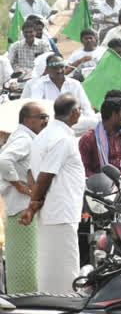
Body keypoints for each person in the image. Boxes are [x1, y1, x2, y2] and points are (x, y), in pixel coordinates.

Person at [20, 94, 84, 294]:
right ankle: (64, 307)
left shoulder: (44, 136)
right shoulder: (62, 139)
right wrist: (32, 205)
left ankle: (49, 304)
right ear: (74, 113)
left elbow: (31, 173)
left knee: (49, 265)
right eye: (80, 109)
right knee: (66, 269)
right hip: (60, 211)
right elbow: (45, 176)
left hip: (51, 211)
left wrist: (35, 203)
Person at [0, 102, 48, 292]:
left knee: (23, 261)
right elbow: (3, 160)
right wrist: (17, 183)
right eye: (42, 117)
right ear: (28, 120)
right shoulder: (24, 139)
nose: (46, 121)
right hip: (22, 208)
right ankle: (26, 305)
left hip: (19, 208)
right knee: (26, 261)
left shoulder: (24, 137)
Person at [22, 54, 95, 117]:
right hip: (50, 122)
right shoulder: (39, 85)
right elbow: (35, 107)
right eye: (55, 68)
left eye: (61, 67)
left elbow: (86, 108)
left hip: (74, 121)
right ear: (47, 69)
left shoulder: (75, 84)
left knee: (94, 121)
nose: (59, 71)